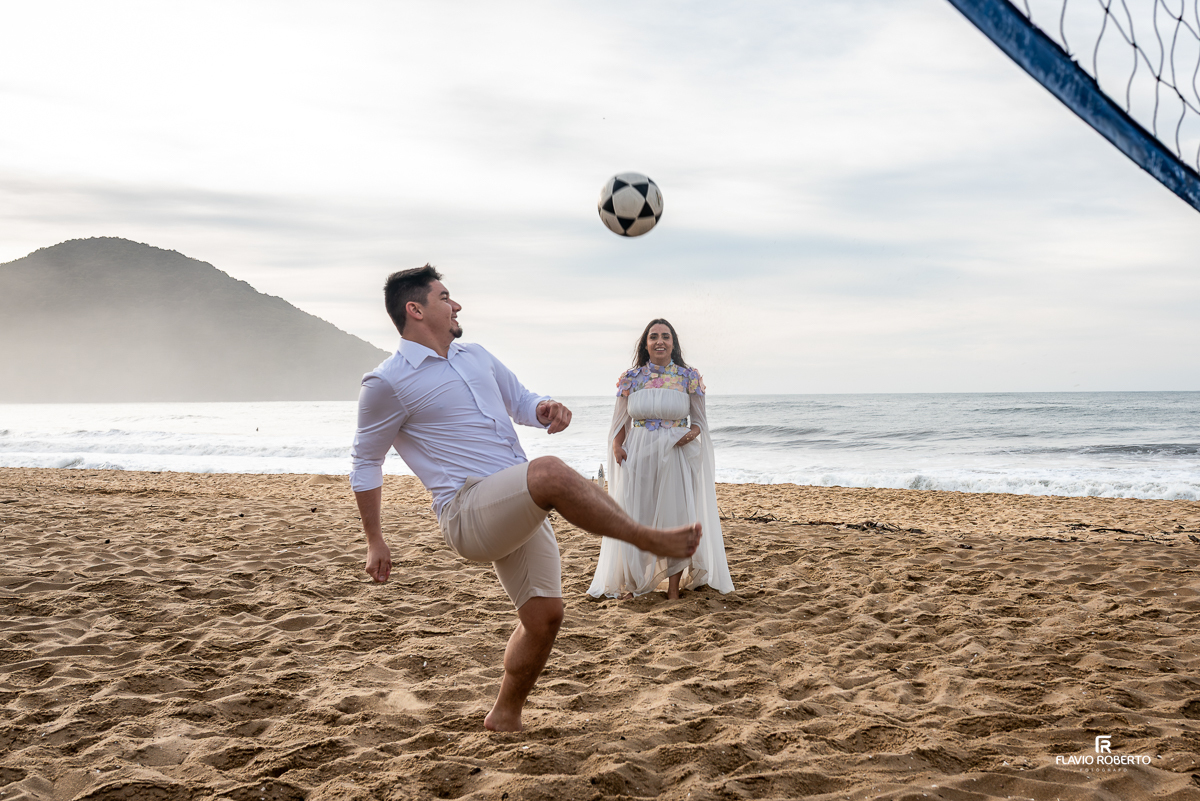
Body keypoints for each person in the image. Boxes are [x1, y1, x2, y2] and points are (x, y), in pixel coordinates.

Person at [349, 266, 702, 733]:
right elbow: (365, 462)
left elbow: (520, 401)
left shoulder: (475, 355)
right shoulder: (386, 383)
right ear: (415, 309)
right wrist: (375, 540)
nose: (456, 305)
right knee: (550, 472)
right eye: (445, 297)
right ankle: (647, 538)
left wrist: (544, 409)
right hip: (467, 509)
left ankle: (505, 714)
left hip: (515, 498)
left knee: (544, 616)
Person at [588, 319, 734, 600]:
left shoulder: (688, 376)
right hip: (638, 454)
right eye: (653, 336)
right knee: (636, 516)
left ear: (673, 343)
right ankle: (635, 585)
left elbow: (699, 423)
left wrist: (685, 438)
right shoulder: (631, 378)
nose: (660, 341)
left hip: (675, 455)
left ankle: (673, 588)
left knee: (675, 517)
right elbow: (620, 421)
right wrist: (618, 446)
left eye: (665, 337)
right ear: (645, 343)